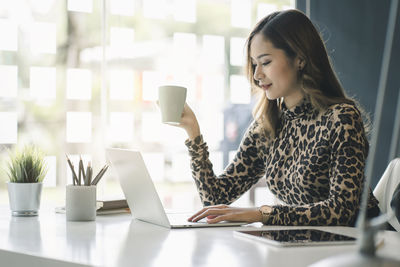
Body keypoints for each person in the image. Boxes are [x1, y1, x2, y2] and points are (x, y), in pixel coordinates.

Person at [169, 9, 380, 226]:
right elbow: (215, 199)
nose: (257, 75)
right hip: (310, 245)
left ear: (299, 58)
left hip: (361, 245)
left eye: (266, 62)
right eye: (254, 64)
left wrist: (262, 214)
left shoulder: (341, 118)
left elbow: (341, 210)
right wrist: (193, 133)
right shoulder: (268, 126)